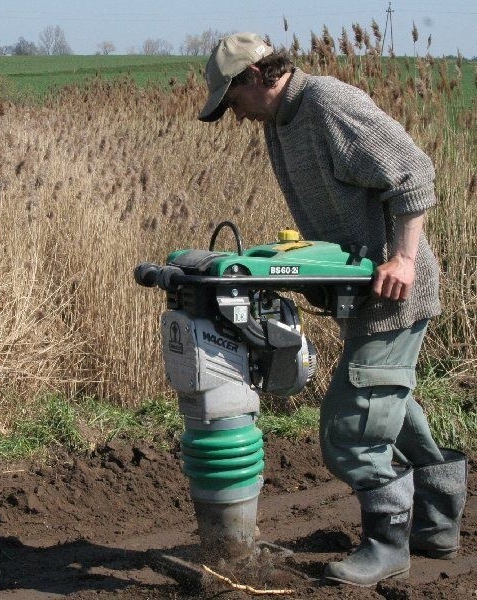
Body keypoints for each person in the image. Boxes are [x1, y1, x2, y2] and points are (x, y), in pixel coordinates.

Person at [198, 32, 467, 587]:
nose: (236, 115)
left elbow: (413, 172)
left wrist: (403, 259)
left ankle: (387, 545)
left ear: (255, 76)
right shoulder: (281, 123)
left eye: (233, 100)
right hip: (362, 289)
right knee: (391, 403)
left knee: (352, 428)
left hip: (394, 290)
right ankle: (438, 524)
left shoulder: (326, 103)